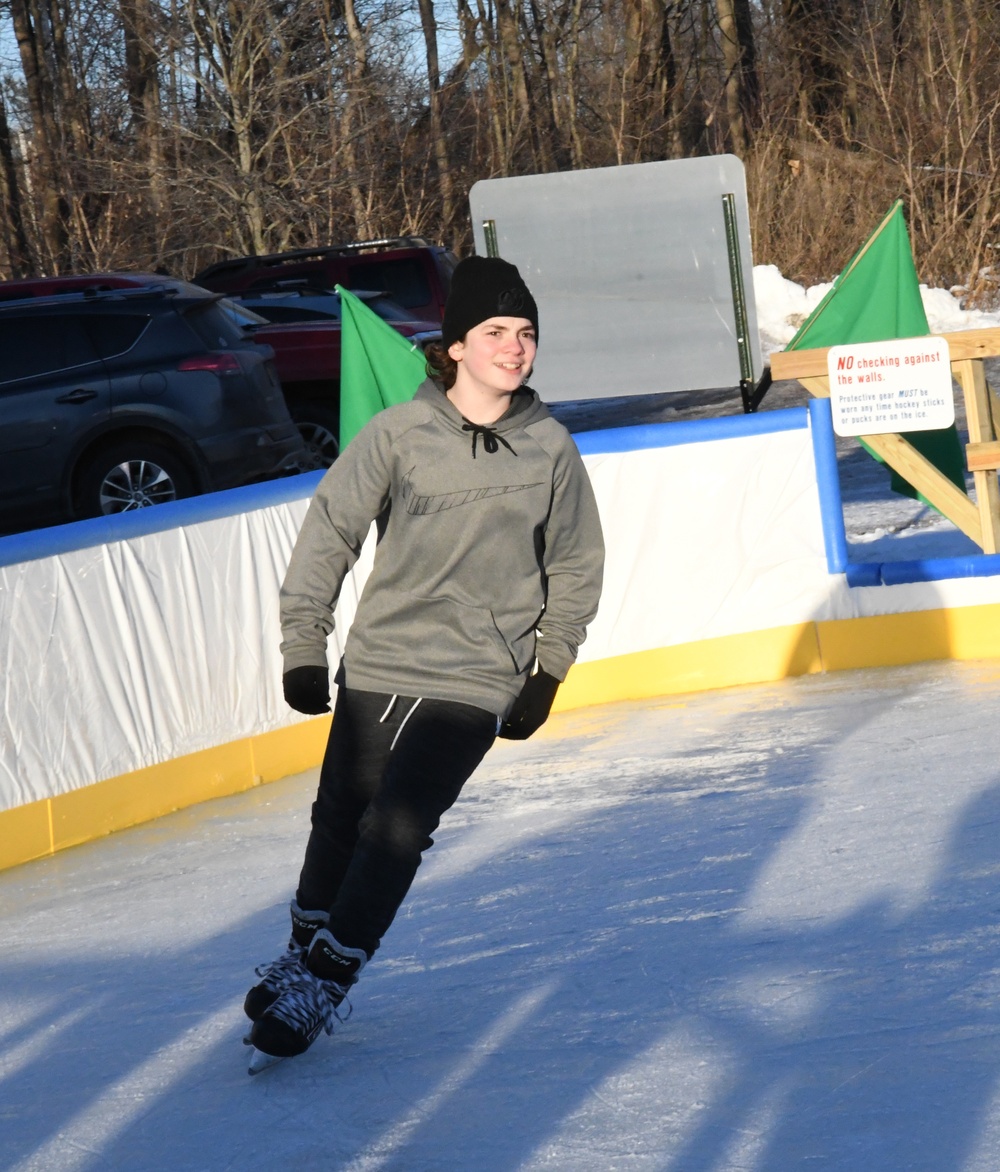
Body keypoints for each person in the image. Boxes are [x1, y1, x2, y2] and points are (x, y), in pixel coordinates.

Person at [244, 255, 605, 1066]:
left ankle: (325, 981)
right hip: (382, 658)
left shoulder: (550, 448)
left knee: (398, 826)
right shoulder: (398, 435)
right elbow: (329, 532)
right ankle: (302, 953)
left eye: (526, 334)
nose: (514, 348)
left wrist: (547, 670)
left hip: (476, 674)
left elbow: (578, 564)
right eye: (495, 332)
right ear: (454, 346)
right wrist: (305, 643)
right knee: (340, 817)